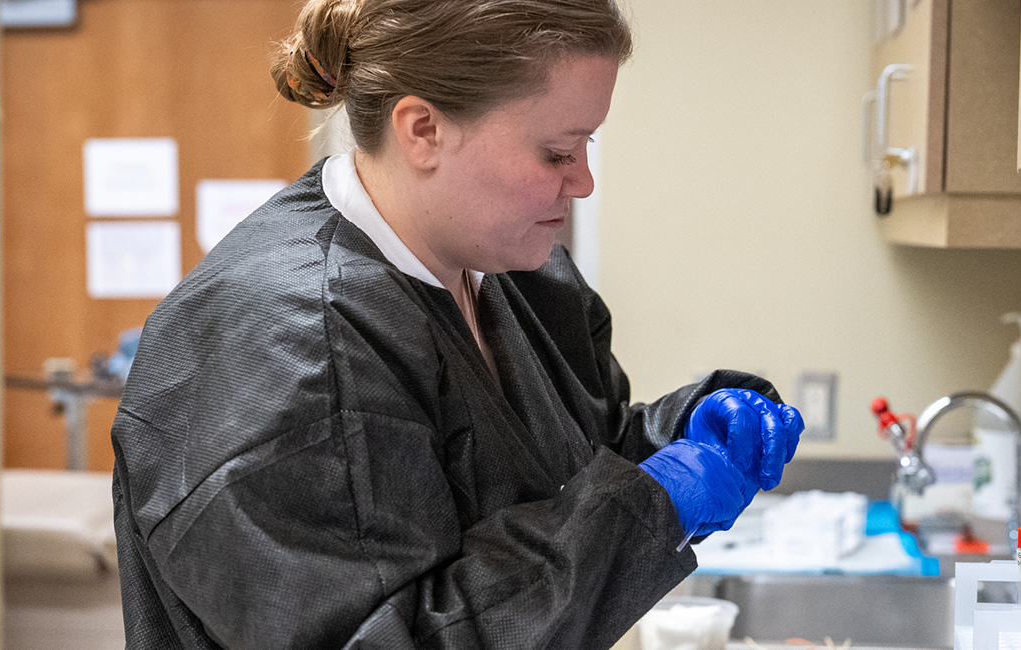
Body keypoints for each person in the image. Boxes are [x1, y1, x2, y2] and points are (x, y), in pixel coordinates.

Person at [109, 0, 804, 647]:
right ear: (424, 130)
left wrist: (687, 433)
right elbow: (389, 636)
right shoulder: (287, 341)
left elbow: (579, 463)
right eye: (559, 152)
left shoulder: (512, 274)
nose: (583, 180)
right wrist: (654, 506)